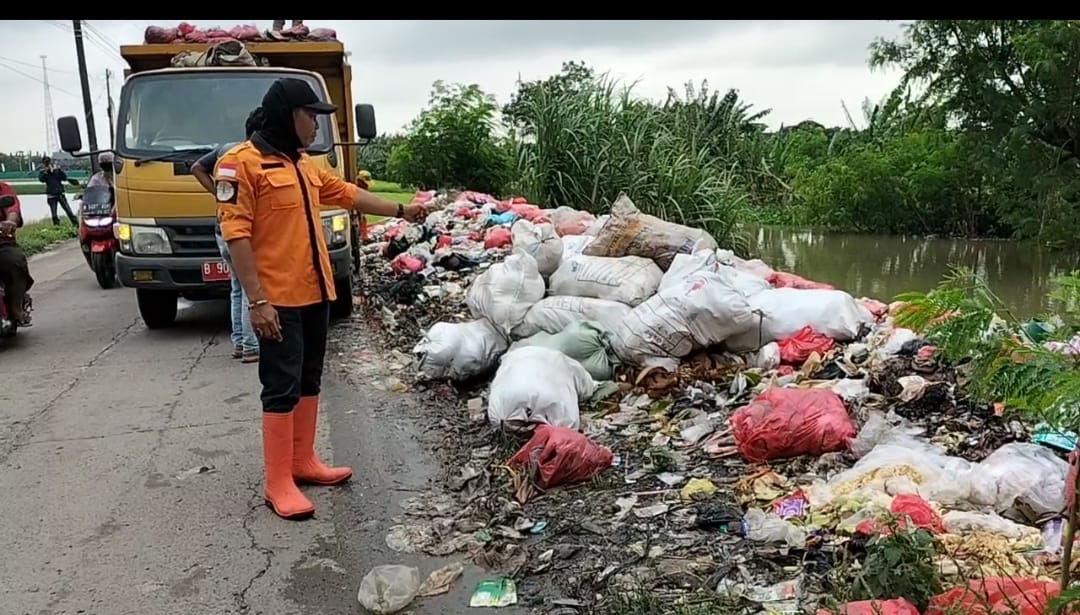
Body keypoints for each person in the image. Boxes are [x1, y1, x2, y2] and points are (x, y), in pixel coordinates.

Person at [216, 77, 426, 520]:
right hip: (277, 299)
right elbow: (236, 237)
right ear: (287, 115)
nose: (315, 125)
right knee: (280, 387)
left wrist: (402, 210)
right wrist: (257, 302)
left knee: (309, 378)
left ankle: (303, 461)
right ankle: (278, 481)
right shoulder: (241, 165)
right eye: (310, 116)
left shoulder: (304, 164)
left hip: (315, 293)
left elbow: (347, 194)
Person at [191, 108, 264, 363]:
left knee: (235, 287)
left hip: (220, 229)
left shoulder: (224, 150)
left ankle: (239, 343)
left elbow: (197, 168)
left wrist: (218, 193)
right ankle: (251, 346)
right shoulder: (247, 156)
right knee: (249, 289)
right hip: (238, 231)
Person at [0, 182, 33, 326]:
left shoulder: (3, 189)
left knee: (15, 261)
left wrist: (10, 222)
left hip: (1, 242)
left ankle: (15, 308)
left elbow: (12, 209)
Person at [37, 157, 80, 226]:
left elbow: (64, 178)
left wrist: (58, 170)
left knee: (68, 210)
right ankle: (57, 227)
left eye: (48, 162)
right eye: (46, 163)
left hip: (60, 194)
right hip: (51, 195)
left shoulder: (57, 170)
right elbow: (41, 180)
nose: (48, 164)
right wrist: (46, 172)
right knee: (54, 214)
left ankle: (76, 225)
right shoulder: (43, 172)